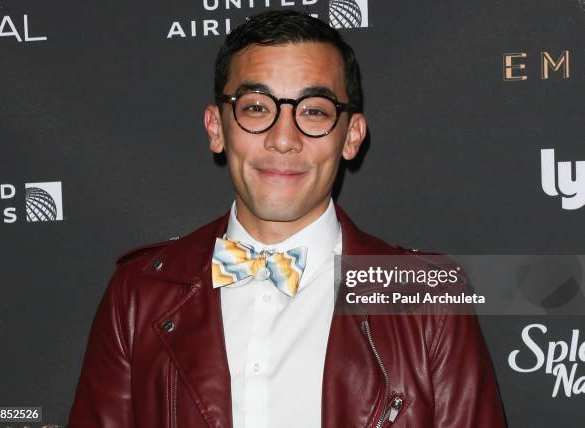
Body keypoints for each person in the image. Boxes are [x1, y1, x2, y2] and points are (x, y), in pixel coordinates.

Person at [68, 10, 506, 428]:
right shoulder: (140, 293)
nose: (283, 139)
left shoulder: (426, 296)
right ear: (216, 127)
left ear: (351, 136)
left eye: (313, 110)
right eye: (257, 107)